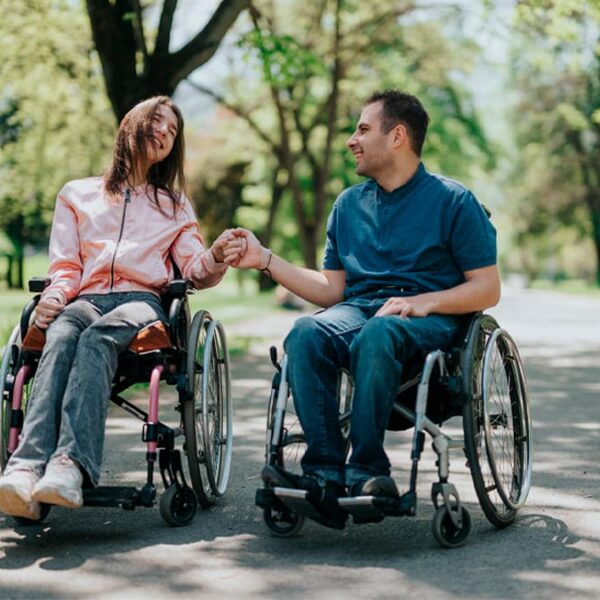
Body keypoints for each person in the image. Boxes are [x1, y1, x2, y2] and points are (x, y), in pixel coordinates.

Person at [226, 90, 500, 529]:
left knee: (380, 330)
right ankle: (324, 474)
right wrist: (266, 260)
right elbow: (332, 291)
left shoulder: (453, 201)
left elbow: (487, 287)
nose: (352, 140)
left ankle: (369, 472)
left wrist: (422, 302)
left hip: (430, 322)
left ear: (397, 136)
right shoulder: (348, 206)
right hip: (360, 312)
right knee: (305, 333)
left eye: (362, 129)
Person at [0, 96, 245, 520]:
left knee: (96, 339)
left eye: (173, 130)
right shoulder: (77, 194)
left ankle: (70, 465)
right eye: (157, 121)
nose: (165, 132)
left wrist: (218, 254)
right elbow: (66, 266)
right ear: (131, 125)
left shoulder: (173, 204)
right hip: (86, 298)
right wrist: (55, 298)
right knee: (61, 332)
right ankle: (25, 466)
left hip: (141, 302)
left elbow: (193, 268)